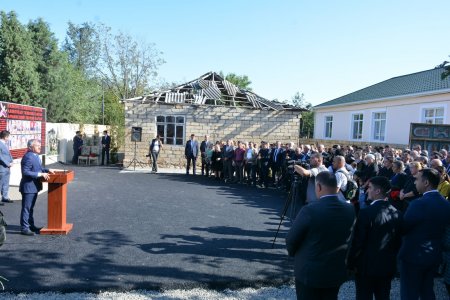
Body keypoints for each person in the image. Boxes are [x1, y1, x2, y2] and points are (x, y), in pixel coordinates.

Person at [286, 171, 355, 300]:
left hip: (309, 271)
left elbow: (291, 240)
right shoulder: (349, 209)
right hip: (335, 270)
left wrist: (294, 254)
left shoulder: (310, 210)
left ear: (318, 187)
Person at [346, 176, 403, 300]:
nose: (367, 191)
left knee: (363, 296)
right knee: (383, 295)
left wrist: (350, 262)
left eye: (370, 188)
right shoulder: (397, 213)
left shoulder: (366, 213)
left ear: (377, 191)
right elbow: (398, 242)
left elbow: (358, 242)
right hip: (387, 265)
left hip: (366, 267)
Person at [398, 168, 450, 300]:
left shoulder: (418, 204)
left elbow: (403, 228)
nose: (415, 182)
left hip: (413, 256)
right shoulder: (445, 203)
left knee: (409, 293)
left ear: (426, 182)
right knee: (427, 290)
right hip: (434, 254)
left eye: (417, 179)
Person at [19, 139, 55, 236]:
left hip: (34, 187)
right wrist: (40, 174)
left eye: (40, 145)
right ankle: (24, 228)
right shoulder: (28, 157)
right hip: (28, 187)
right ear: (31, 147)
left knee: (31, 208)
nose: (40, 147)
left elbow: (38, 169)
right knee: (26, 208)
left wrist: (47, 170)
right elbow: (25, 172)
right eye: (37, 145)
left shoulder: (35, 156)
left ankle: (31, 225)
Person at [0, 130, 13, 204]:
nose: (9, 138)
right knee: (1, 183)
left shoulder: (4, 144)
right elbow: (0, 156)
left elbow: (8, 154)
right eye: (9, 137)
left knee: (6, 183)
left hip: (7, 168)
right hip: (2, 167)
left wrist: (11, 160)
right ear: (5, 137)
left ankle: (5, 197)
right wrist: (8, 163)